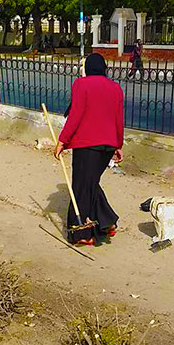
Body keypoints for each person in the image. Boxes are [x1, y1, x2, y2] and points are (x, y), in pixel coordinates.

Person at [55, 53, 124, 246]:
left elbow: (76, 114)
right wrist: (118, 145)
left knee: (80, 186)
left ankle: (82, 234)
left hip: (87, 145)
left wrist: (62, 140)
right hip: (107, 146)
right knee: (90, 183)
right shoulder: (115, 88)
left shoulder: (81, 84)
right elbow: (118, 119)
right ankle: (106, 223)